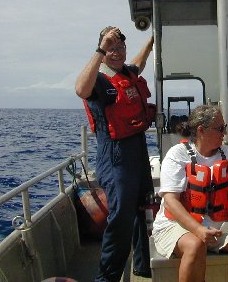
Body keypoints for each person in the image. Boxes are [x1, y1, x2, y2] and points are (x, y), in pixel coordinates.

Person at [75, 26, 155, 282]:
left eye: (120, 47)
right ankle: (106, 278)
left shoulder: (127, 73)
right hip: (115, 154)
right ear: (102, 51)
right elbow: (80, 89)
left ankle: (142, 267)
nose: (116, 52)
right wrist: (100, 48)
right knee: (120, 218)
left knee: (142, 208)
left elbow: (139, 62)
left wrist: (153, 37)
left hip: (137, 148)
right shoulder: (99, 79)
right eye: (110, 48)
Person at [152, 105, 228, 282]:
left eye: (224, 127)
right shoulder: (177, 155)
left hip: (218, 224)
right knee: (196, 245)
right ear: (201, 131)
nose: (224, 133)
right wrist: (198, 229)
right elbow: (171, 201)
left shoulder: (227, 154)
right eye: (220, 128)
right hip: (175, 225)